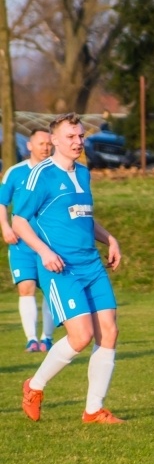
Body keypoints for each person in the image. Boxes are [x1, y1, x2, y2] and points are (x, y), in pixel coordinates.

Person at [14, 113, 124, 424]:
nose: (78, 141)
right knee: (81, 337)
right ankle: (34, 386)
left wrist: (109, 239)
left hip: (91, 263)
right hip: (61, 267)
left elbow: (85, 218)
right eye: (71, 137)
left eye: (80, 136)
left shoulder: (84, 173)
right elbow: (19, 221)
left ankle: (93, 410)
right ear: (55, 141)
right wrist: (44, 252)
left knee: (110, 333)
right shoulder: (41, 176)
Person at [0, 129, 56, 352]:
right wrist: (5, 226)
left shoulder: (55, 172)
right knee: (26, 288)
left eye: (49, 143)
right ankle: (31, 339)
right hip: (21, 244)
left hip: (49, 243)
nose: (46, 147)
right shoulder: (15, 173)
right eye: (41, 143)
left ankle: (47, 338)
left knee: (51, 290)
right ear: (29, 145)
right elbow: (2, 203)